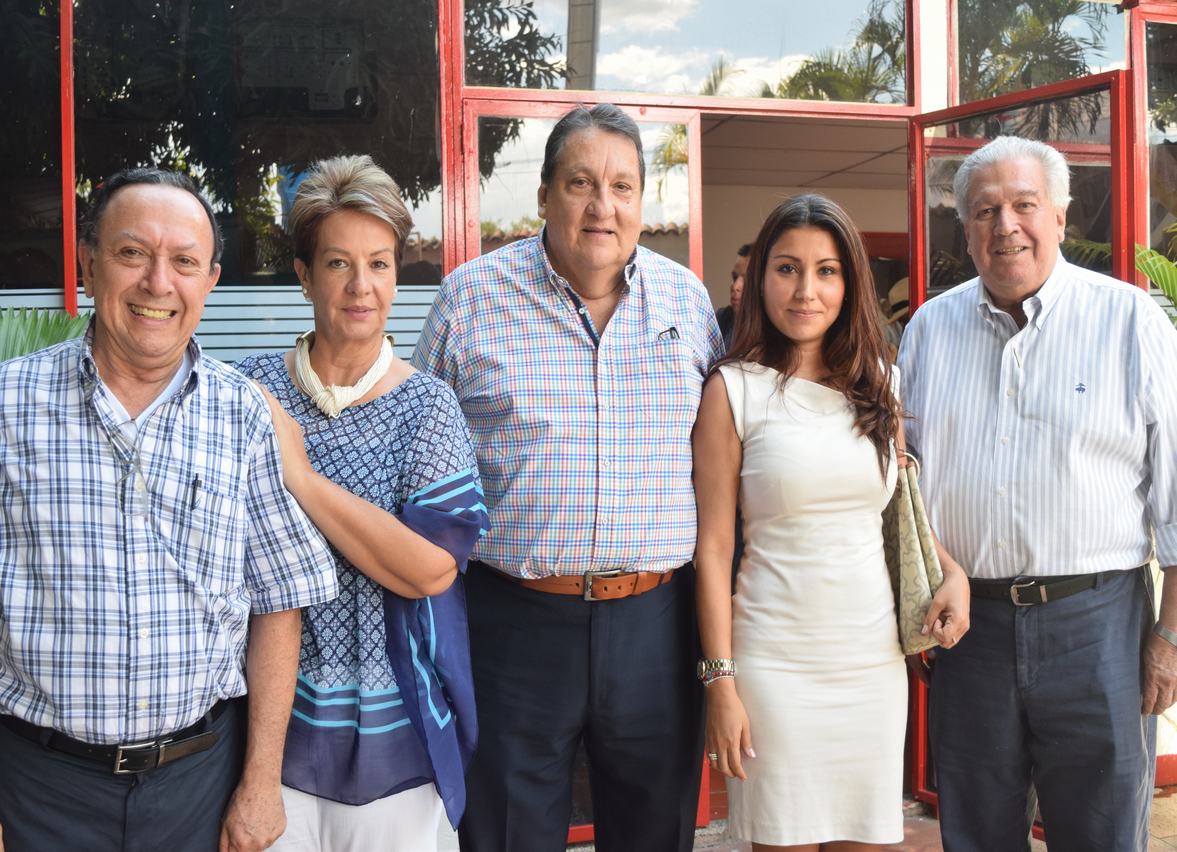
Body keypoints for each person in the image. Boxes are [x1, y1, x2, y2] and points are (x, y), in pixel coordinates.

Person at [412, 103, 724, 852]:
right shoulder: (470, 299)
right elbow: (417, 460)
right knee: (507, 834)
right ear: (545, 195)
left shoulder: (685, 302)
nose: (601, 206)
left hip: (655, 623)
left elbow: (727, 457)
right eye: (580, 183)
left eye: (621, 186)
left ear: (642, 203)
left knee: (654, 831)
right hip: (512, 622)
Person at [0, 168, 339, 852]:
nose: (159, 282)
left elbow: (280, 603)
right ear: (89, 266)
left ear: (210, 282)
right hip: (36, 786)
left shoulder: (241, 412)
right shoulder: (8, 403)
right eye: (132, 254)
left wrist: (259, 784)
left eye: (184, 261)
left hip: (197, 786)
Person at [898, 135, 1177, 850]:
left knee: (1102, 833)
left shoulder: (1130, 321)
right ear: (964, 230)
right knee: (976, 831)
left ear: (1059, 216)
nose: (1005, 225)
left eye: (1024, 205)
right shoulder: (929, 329)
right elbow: (903, 485)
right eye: (985, 210)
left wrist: (1169, 637)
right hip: (968, 634)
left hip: (1098, 626)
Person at [694, 194, 970, 850]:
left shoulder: (881, 383)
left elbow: (895, 512)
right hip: (771, 667)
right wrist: (719, 684)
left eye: (826, 271)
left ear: (850, 284)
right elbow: (711, 549)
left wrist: (951, 572)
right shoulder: (732, 389)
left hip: (869, 665)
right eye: (787, 268)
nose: (805, 290)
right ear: (759, 277)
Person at [236, 154, 488, 851]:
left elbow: (432, 568)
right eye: (339, 264)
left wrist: (303, 478)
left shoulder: (426, 408)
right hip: (267, 739)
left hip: (396, 743)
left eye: (379, 264)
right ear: (303, 275)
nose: (361, 286)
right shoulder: (249, 392)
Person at [716, 243, 751, 348]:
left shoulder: (778, 330)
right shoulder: (722, 319)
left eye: (747, 280)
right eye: (735, 278)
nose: (735, 287)